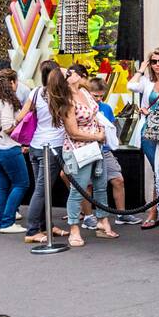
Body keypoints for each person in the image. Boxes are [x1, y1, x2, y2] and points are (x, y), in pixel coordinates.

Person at [58, 64, 116, 247]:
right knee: (79, 189)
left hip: (95, 146)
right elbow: (73, 132)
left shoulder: (85, 92)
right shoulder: (66, 100)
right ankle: (74, 227)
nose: (78, 75)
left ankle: (102, 220)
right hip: (78, 149)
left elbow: (96, 114)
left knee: (100, 184)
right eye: (71, 73)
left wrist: (101, 131)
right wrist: (96, 136)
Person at [15, 60, 70, 244]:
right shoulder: (63, 95)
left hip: (36, 145)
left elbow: (20, 116)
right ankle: (32, 230)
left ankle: (46, 225)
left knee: (43, 188)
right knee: (42, 189)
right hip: (53, 147)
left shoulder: (36, 92)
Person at [0, 58, 31, 225]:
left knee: (2, 185)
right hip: (9, 147)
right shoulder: (7, 102)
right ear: (11, 82)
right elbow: (8, 126)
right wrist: (21, 118)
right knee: (21, 184)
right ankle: (8, 221)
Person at [128, 48, 159, 229]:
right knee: (158, 172)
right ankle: (156, 213)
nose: (157, 64)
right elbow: (130, 86)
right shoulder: (146, 81)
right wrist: (141, 69)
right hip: (149, 132)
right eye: (153, 62)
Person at [89, 76, 138, 225]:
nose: (98, 99)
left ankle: (121, 214)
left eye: (100, 96)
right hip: (89, 149)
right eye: (95, 96)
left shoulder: (106, 108)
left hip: (105, 149)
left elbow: (111, 129)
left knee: (118, 179)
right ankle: (88, 216)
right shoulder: (84, 107)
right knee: (88, 184)